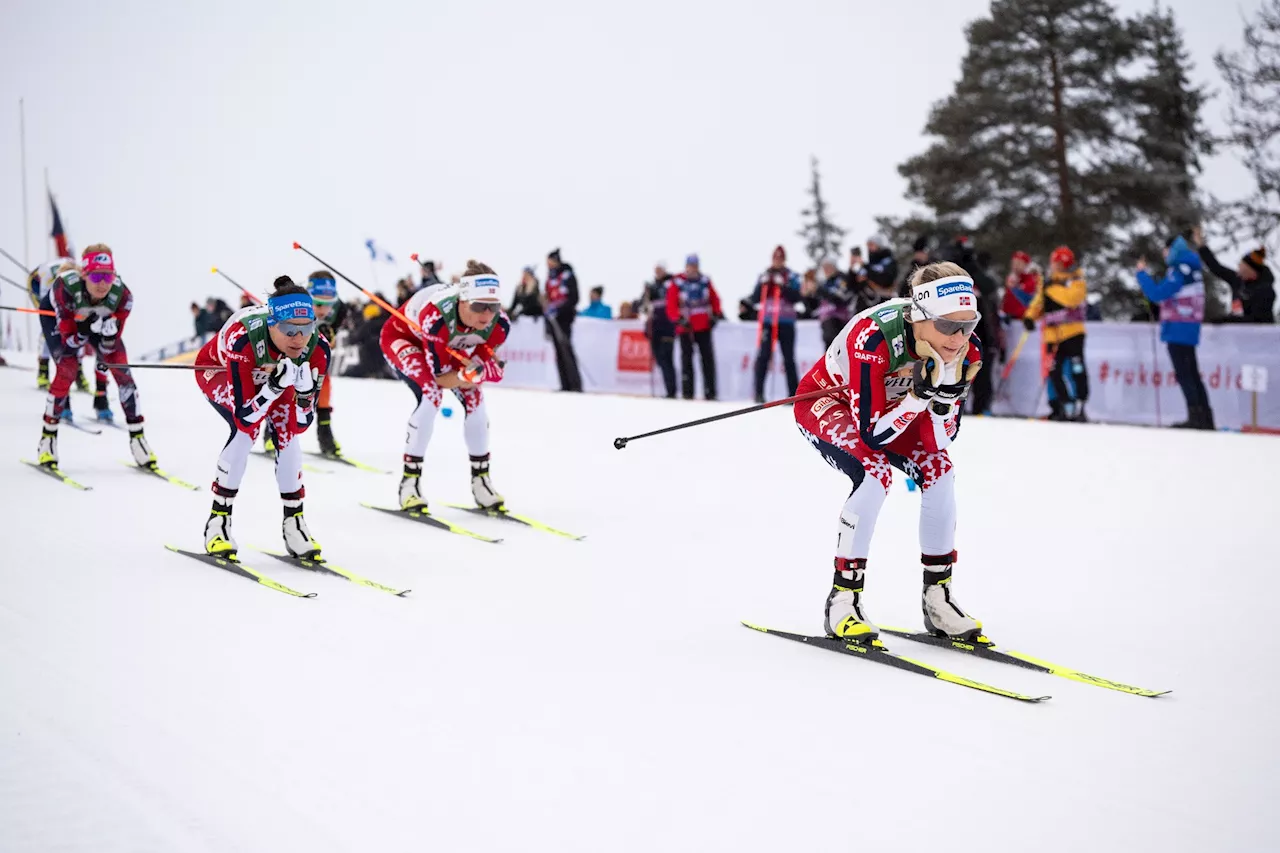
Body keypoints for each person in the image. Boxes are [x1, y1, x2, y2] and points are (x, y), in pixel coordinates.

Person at [794, 261, 984, 641]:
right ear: (919, 316)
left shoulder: (967, 349)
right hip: (833, 403)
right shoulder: (874, 337)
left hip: (894, 410)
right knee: (874, 473)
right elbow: (873, 434)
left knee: (940, 471)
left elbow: (940, 441)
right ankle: (843, 601)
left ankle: (938, 596)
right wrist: (918, 397)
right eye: (947, 325)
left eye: (968, 324)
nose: (958, 338)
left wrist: (943, 398)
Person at [195, 276, 331, 557]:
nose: (299, 338)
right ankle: (218, 521)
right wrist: (272, 388)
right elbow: (245, 416)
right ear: (272, 324)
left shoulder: (318, 348)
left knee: (287, 433)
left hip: (273, 377)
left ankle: (295, 522)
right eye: (289, 330)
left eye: (306, 328)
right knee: (247, 432)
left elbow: (300, 424)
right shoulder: (244, 339)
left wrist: (305, 395)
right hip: (218, 369)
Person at [381, 260, 511, 511]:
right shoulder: (436, 316)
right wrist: (471, 375)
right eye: (479, 306)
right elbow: (441, 377)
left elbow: (475, 368)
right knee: (431, 394)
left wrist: (481, 372)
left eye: (493, 306)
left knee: (475, 399)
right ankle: (409, 484)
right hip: (405, 338)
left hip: (448, 343)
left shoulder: (499, 324)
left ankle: (481, 481)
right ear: (463, 301)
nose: (487, 314)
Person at [35, 245, 157, 471]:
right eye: (96, 276)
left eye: (108, 276)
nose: (102, 283)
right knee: (68, 369)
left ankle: (138, 439)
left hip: (91, 322)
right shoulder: (66, 289)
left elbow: (108, 347)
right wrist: (84, 329)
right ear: (84, 275)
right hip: (58, 321)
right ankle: (47, 439)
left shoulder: (123, 296)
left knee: (123, 372)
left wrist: (109, 333)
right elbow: (70, 344)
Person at [1137, 234, 1213, 430]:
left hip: (1178, 327)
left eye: (1166, 250)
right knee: (1192, 373)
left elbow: (1157, 294)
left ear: (1173, 250)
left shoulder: (1179, 270)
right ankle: (1204, 416)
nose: (1164, 254)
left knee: (1185, 374)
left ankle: (1196, 416)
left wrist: (1142, 275)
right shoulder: (1192, 268)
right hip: (1189, 327)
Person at [1025, 246, 1089, 421]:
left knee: (1077, 370)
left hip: (1073, 332)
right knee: (1054, 372)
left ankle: (1080, 405)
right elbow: (1039, 302)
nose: (1052, 265)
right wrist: (1030, 316)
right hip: (1052, 336)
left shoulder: (1075, 279)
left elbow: (1072, 300)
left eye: (1055, 262)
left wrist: (1051, 288)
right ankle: (1065, 405)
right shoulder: (1049, 282)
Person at [750, 245, 803, 402]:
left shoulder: (791, 275)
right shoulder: (765, 275)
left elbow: (797, 297)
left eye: (780, 258)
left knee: (788, 358)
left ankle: (793, 394)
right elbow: (755, 298)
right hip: (768, 321)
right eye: (775, 258)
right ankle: (758, 393)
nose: (777, 261)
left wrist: (783, 286)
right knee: (763, 356)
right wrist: (762, 285)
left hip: (786, 321)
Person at [667, 254, 723, 400]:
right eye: (690, 265)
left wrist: (716, 315)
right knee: (686, 360)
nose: (693, 268)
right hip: (686, 327)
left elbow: (715, 299)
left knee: (707, 360)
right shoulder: (678, 282)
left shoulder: (704, 281)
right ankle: (688, 392)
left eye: (695, 265)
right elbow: (671, 304)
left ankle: (710, 392)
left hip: (703, 326)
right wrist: (678, 319)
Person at [1194, 229, 1274, 324]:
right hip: (1237, 333)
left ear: (1252, 271)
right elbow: (1216, 268)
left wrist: (1227, 320)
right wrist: (1201, 246)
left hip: (1260, 336)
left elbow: (1256, 320)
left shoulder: (1266, 291)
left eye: (1242, 268)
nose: (1238, 270)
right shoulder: (1238, 281)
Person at [307, 270, 347, 456]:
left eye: (329, 304)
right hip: (291, 351)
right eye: (318, 303)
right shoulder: (297, 304)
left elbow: (330, 340)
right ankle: (272, 434)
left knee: (323, 386)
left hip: (316, 352)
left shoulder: (341, 309)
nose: (324, 310)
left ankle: (325, 435)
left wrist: (329, 333)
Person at [544, 248, 583, 392]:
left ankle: (575, 385)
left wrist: (559, 309)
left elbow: (574, 298)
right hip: (552, 320)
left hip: (564, 319)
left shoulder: (568, 276)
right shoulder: (550, 277)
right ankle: (564, 384)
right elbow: (548, 296)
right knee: (558, 352)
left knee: (567, 350)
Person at [641, 263, 677, 397]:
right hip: (655, 328)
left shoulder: (671, 284)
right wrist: (646, 294)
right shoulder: (652, 286)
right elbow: (643, 307)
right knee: (660, 360)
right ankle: (669, 389)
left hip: (667, 327)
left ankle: (671, 391)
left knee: (667, 359)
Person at [813, 257, 854, 347]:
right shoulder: (824, 282)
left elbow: (841, 298)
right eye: (824, 268)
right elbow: (814, 306)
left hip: (839, 319)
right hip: (826, 321)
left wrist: (821, 291)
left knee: (837, 346)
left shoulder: (841, 279)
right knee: (828, 349)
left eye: (828, 267)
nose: (826, 270)